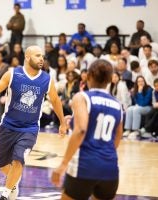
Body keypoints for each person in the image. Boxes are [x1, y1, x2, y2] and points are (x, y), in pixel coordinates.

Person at [0, 45, 66, 200]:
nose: (41, 59)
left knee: (18, 160)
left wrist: (63, 122)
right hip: (8, 126)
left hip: (29, 129)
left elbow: (56, 101)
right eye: (37, 56)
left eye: (42, 56)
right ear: (27, 57)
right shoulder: (12, 74)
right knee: (3, 164)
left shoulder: (47, 79)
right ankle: (13, 184)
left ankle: (4, 194)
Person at [51, 59, 123, 200]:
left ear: (88, 76)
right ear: (109, 80)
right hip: (110, 169)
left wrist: (63, 164)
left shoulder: (82, 97)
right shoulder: (117, 104)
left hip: (84, 166)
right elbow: (117, 136)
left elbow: (81, 130)